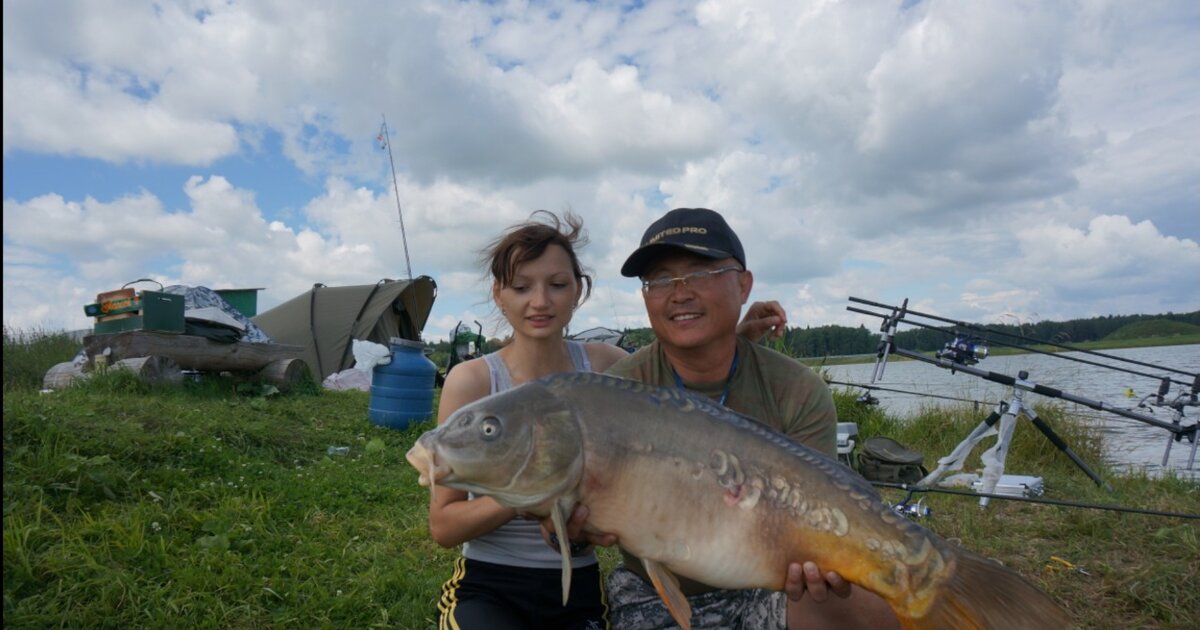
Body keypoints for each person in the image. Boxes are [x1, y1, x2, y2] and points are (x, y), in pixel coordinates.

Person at [428, 209, 791, 629]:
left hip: (578, 582)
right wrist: (528, 483)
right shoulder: (473, 380)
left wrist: (736, 333)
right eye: (521, 287)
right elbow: (443, 525)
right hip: (490, 583)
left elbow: (674, 389)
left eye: (558, 285)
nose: (540, 301)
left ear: (579, 291)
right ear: (498, 293)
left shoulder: (603, 369)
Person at [558, 208, 900, 629]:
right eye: (661, 280)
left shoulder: (798, 389)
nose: (679, 293)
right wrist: (570, 535)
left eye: (700, 273)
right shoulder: (616, 395)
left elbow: (825, 508)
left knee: (873, 603)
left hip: (771, 582)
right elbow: (564, 525)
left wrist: (821, 558)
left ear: (744, 284)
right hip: (654, 589)